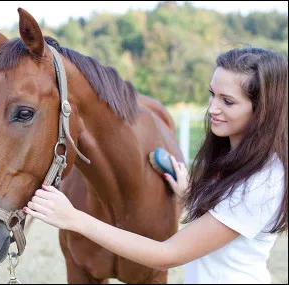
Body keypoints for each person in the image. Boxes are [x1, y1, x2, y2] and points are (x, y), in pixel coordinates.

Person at [23, 47, 288, 284]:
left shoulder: (263, 180)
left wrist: (75, 219)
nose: (212, 109)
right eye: (212, 95)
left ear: (263, 109)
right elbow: (218, 223)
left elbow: (167, 255)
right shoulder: (233, 156)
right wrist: (189, 195)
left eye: (227, 101)